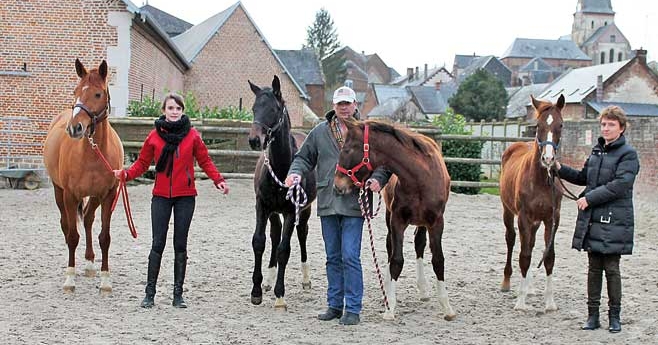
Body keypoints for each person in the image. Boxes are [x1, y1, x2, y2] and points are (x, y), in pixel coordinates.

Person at [285, 86, 391, 326]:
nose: (344, 107)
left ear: (355, 105)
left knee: (350, 255)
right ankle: (334, 305)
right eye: (339, 103)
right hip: (327, 200)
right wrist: (295, 174)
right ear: (333, 106)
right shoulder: (319, 132)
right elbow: (303, 158)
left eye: (348, 103)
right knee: (332, 256)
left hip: (355, 201)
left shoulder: (367, 133)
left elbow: (384, 163)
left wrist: (378, 179)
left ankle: (353, 308)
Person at [113, 93, 229, 309]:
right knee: (157, 244)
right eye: (170, 108)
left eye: (178, 108)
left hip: (185, 196)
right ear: (164, 111)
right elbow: (142, 163)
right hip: (161, 196)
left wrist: (218, 180)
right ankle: (150, 293)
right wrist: (126, 174)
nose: (174, 111)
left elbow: (205, 160)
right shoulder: (154, 137)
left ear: (182, 111)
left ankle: (178, 294)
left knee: (180, 245)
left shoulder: (193, 136)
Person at [556, 105, 639, 333]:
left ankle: (615, 317)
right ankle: (593, 316)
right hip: (593, 218)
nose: (606, 128)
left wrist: (589, 199)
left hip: (615, 218)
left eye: (611, 124)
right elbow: (584, 178)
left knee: (611, 268)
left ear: (621, 128)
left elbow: (620, 186)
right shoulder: (597, 152)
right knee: (593, 268)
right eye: (603, 124)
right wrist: (559, 168)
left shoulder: (628, 155)